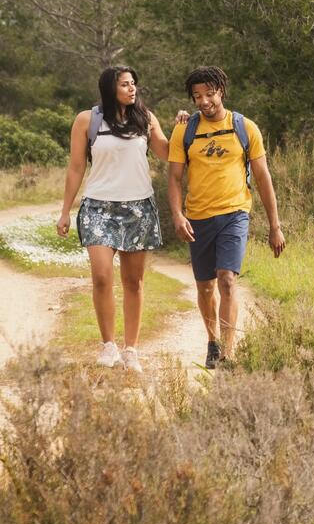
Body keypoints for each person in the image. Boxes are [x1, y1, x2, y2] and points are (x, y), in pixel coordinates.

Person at [57, 65, 175, 372]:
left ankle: (131, 350)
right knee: (101, 276)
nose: (132, 89)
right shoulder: (87, 120)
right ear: (111, 88)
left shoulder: (145, 119)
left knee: (133, 282)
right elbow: (75, 167)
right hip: (98, 207)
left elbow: (166, 151)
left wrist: (184, 128)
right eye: (125, 84)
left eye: (134, 83)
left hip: (138, 208)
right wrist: (65, 211)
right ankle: (108, 345)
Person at [167, 66, 285, 369]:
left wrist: (275, 226)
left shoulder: (245, 128)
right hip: (198, 218)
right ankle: (212, 341)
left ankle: (229, 352)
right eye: (197, 96)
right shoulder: (185, 130)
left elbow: (263, 177)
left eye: (209, 93)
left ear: (221, 91)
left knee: (228, 279)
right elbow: (174, 178)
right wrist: (178, 215)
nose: (203, 101)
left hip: (234, 213)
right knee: (205, 287)